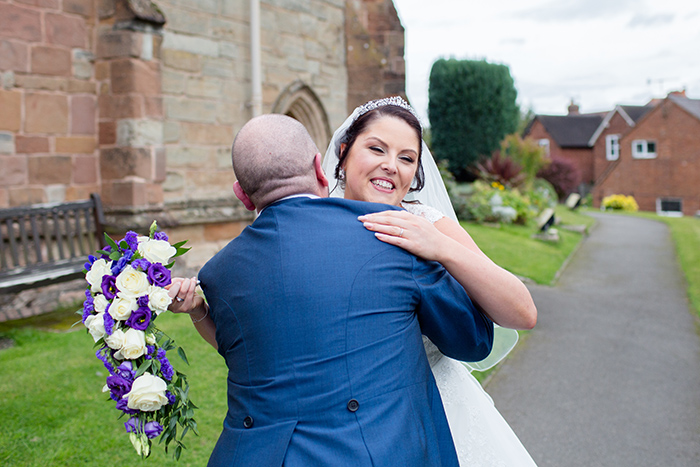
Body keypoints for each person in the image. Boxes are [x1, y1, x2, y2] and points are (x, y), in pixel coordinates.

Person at [169, 114, 494, 466]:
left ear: (242, 196)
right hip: (375, 451)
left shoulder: (218, 274)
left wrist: (198, 311)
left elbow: (247, 355)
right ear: (319, 168)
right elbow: (472, 341)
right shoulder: (393, 237)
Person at [321, 96, 539, 466]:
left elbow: (523, 312)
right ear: (344, 152)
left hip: (437, 408)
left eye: (406, 158)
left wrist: (440, 247)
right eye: (376, 149)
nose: (391, 166)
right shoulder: (316, 224)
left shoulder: (429, 222)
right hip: (340, 422)